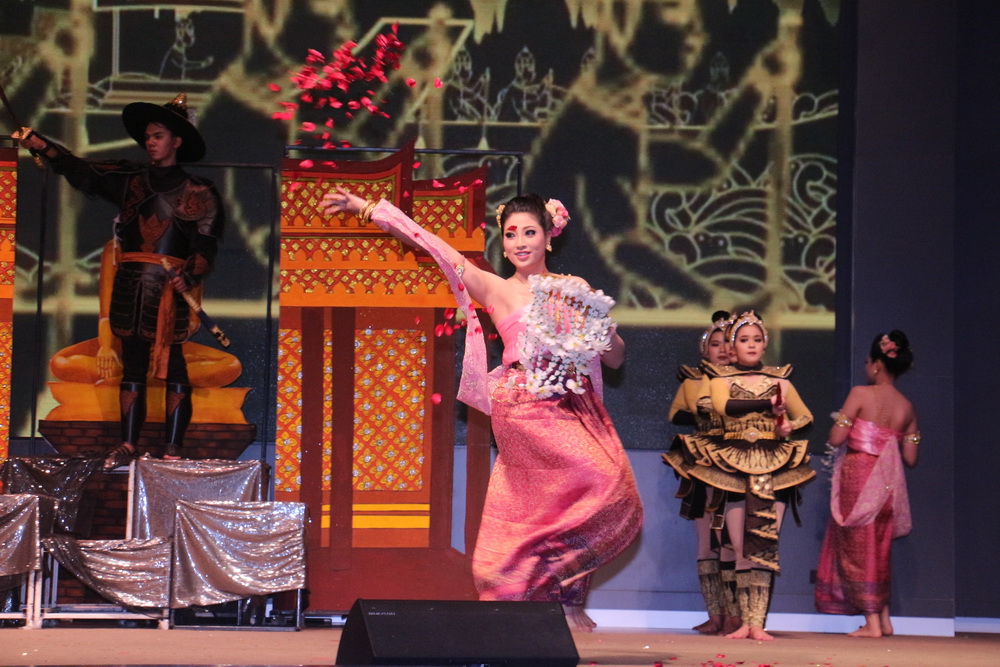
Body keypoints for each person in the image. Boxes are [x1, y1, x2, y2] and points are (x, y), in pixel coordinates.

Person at [320, 189, 643, 631]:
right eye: (511, 234)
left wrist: (602, 327)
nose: (520, 242)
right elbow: (433, 246)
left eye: (529, 232)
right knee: (592, 476)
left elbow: (616, 359)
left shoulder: (574, 290)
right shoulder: (495, 287)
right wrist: (371, 210)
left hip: (567, 401)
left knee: (578, 495)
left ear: (549, 237)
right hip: (521, 405)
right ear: (503, 244)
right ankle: (550, 597)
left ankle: (562, 599)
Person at [16, 94, 225, 469]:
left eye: (158, 136)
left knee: (176, 367)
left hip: (169, 292)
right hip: (130, 286)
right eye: (148, 137)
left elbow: (205, 246)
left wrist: (190, 274)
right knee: (132, 366)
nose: (151, 142)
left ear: (176, 141)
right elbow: (82, 171)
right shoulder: (130, 180)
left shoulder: (199, 192)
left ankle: (172, 448)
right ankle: (128, 444)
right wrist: (43, 146)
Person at [670, 310, 814, 640]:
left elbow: (805, 416)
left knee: (763, 544)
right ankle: (741, 621)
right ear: (732, 347)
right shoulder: (718, 380)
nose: (751, 345)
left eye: (757, 339)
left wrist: (790, 425)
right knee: (737, 546)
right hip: (733, 463)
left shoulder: (781, 380)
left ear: (765, 344)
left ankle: (756, 624)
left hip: (774, 463)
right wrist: (767, 405)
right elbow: (724, 407)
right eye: (744, 340)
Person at [814, 331, 919, 638]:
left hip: (859, 476)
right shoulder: (907, 407)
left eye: (866, 362)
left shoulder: (860, 393)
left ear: (877, 364)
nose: (865, 367)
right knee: (878, 548)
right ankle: (883, 620)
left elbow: (836, 438)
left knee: (858, 548)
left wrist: (844, 423)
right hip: (888, 483)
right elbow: (910, 457)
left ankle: (871, 622)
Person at [663, 310, 742, 635]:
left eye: (728, 343)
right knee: (706, 540)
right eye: (716, 344)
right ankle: (715, 613)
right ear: (705, 349)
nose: (722, 350)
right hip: (701, 462)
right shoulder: (693, 380)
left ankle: (736, 614)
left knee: (730, 539)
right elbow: (676, 415)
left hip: (736, 462)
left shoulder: (746, 381)